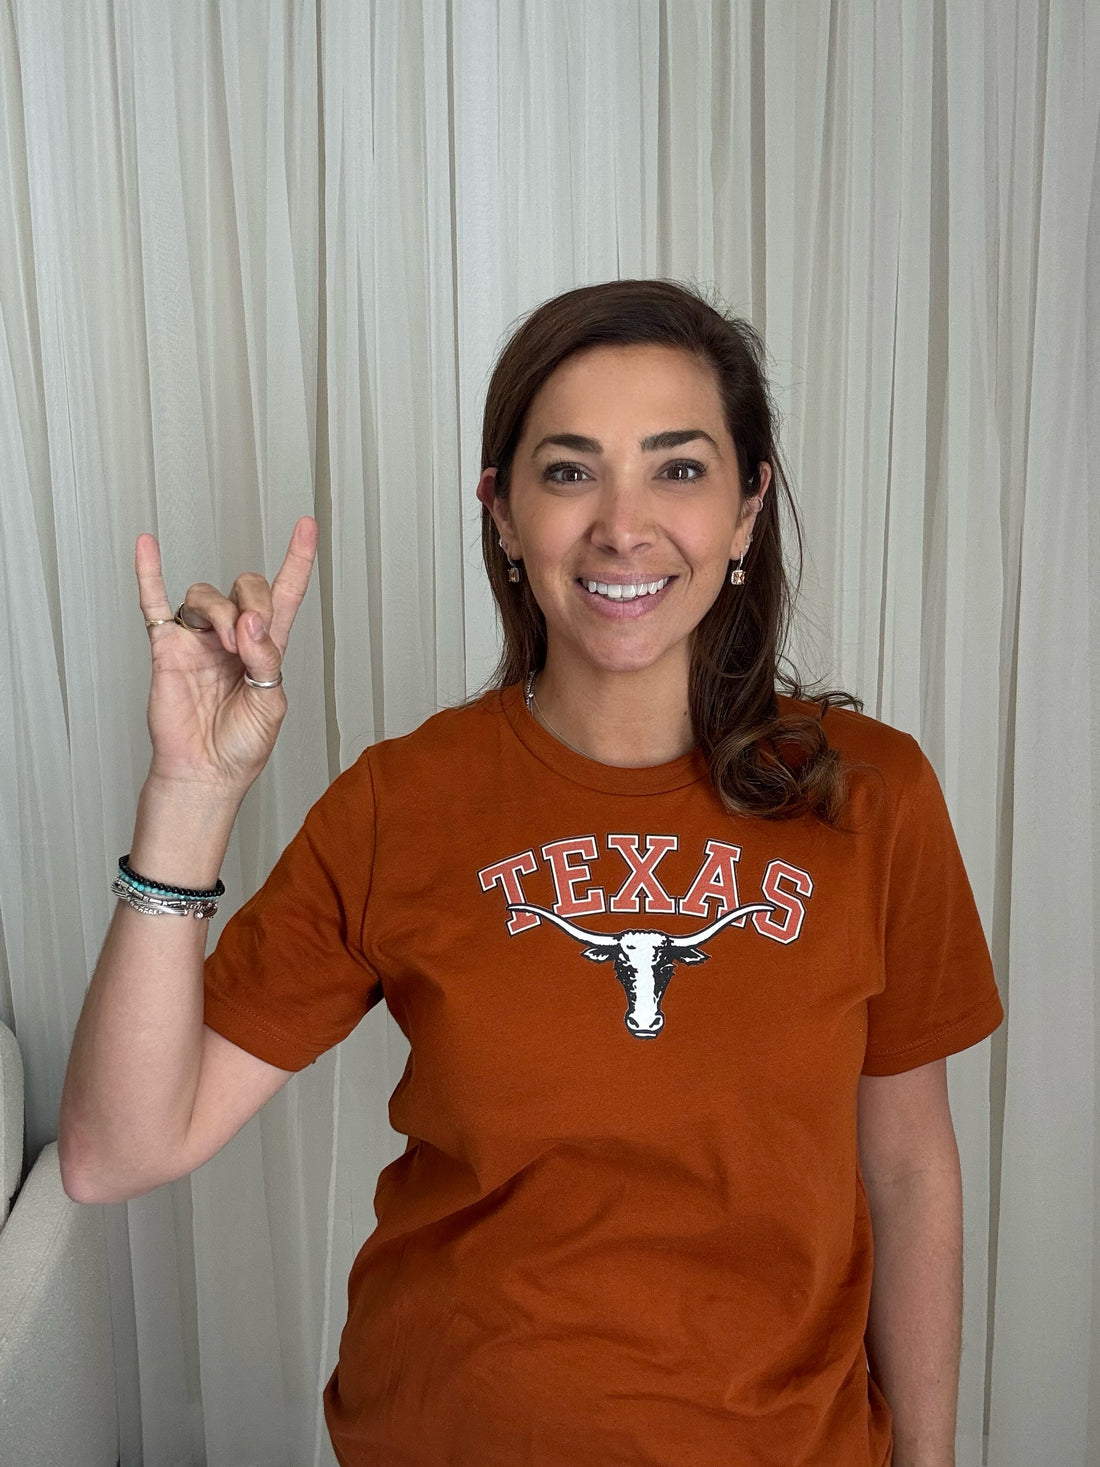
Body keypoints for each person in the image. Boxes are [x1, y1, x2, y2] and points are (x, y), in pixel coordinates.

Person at [60, 279, 1003, 1467]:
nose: (621, 523)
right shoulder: (403, 802)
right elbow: (115, 1151)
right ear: (501, 514)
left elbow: (910, 1173)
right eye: (567, 472)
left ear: (747, 509)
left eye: (677, 468)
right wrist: (189, 799)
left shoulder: (871, 796)